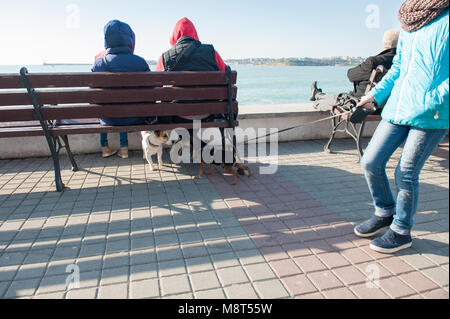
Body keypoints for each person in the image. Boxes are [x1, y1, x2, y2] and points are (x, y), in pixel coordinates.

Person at [354, 0, 449, 253]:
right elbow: (398, 68)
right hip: (398, 107)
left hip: (432, 113)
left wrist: (433, 98)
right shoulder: (411, 19)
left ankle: (401, 230)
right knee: (370, 162)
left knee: (405, 173)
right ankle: (384, 211)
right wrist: (377, 95)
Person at [92, 19, 151, 159]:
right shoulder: (140, 62)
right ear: (130, 38)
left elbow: (92, 97)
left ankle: (107, 147)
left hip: (109, 119)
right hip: (136, 118)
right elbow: (152, 93)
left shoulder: (99, 64)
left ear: (107, 39)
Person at [155, 17, 227, 123]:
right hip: (209, 112)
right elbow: (228, 80)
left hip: (177, 114)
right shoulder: (212, 52)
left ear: (175, 35)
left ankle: (188, 138)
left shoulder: (165, 57)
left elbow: (155, 89)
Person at [309, 29, 399, 111]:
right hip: (389, 108)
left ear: (384, 44)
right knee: (341, 97)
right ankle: (317, 94)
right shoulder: (404, 63)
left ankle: (317, 96)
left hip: (363, 105)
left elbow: (351, 75)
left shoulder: (374, 61)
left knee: (338, 99)